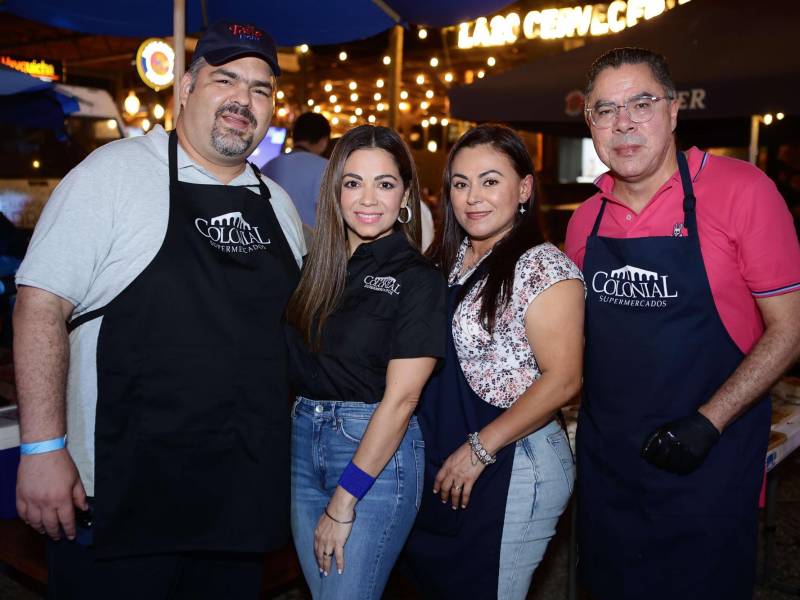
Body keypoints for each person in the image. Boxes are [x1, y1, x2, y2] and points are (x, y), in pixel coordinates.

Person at [13, 20, 305, 598]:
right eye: (226, 80)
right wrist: (43, 449)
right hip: (124, 495)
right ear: (185, 92)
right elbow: (39, 305)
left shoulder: (279, 203)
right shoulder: (113, 174)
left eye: (261, 88)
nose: (243, 101)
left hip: (239, 497)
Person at [565, 47, 800, 599]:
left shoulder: (743, 191)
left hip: (709, 466)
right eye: (605, 110)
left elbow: (789, 330)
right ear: (590, 125)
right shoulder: (585, 219)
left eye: (640, 103)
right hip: (609, 469)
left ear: (673, 111)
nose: (623, 123)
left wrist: (707, 422)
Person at [405, 124, 585, 599]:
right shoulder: (451, 256)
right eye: (460, 183)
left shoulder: (544, 267)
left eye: (490, 181)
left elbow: (565, 379)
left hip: (512, 460)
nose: (472, 197)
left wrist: (481, 448)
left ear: (524, 188)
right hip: (450, 454)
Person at [284, 125, 446, 599]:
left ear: (406, 195)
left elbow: (402, 400)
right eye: (353, 182)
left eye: (385, 183)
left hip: (373, 454)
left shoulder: (417, 278)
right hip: (301, 443)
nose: (367, 198)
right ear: (335, 191)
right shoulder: (315, 269)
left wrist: (344, 500)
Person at [263, 111, 330, 229]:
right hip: (308, 244)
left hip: (268, 239)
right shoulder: (326, 167)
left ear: (294, 136)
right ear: (323, 142)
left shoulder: (268, 166)